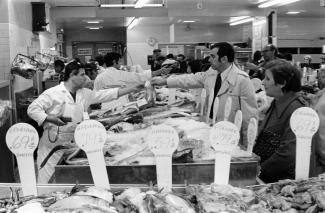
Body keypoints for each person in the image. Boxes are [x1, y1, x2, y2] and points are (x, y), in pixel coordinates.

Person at [27, 61, 144, 183]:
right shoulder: (53, 93)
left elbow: (105, 94)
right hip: (52, 143)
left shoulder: (84, 93)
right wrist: (51, 119)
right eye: (82, 75)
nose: (85, 78)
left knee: (67, 180)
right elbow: (32, 109)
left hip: (73, 143)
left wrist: (133, 88)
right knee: (47, 180)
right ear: (72, 75)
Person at [152, 42, 258, 147]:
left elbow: (249, 117)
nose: (209, 59)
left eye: (212, 56)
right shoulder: (211, 73)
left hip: (230, 138)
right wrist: (165, 81)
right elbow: (191, 79)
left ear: (224, 59)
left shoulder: (242, 80)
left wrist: (247, 146)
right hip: (211, 130)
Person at [253, 59, 307, 183]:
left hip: (280, 182)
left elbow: (288, 153)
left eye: (267, 79)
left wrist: (259, 170)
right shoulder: (277, 101)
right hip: (265, 176)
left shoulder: (298, 110)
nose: (262, 82)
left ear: (282, 83)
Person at [94, 52, 170, 109]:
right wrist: (160, 71)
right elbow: (140, 77)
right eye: (120, 61)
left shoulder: (99, 77)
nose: (121, 63)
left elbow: (95, 95)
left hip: (105, 108)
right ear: (114, 61)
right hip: (122, 107)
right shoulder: (121, 74)